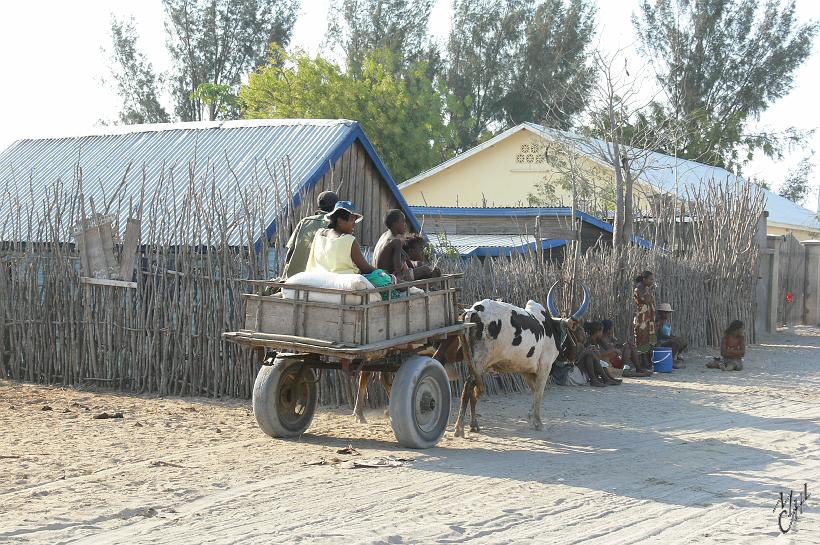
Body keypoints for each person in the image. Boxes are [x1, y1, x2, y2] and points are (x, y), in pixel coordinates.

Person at [305, 200, 376, 276]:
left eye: (355, 221)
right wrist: (383, 272)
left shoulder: (319, 234)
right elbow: (365, 268)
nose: (354, 224)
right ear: (340, 221)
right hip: (344, 284)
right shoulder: (349, 240)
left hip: (318, 279)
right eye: (352, 220)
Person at [281, 191, 338, 279]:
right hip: (320, 279)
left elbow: (290, 252)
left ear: (319, 205)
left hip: (295, 278)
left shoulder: (304, 222)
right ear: (336, 207)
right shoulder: (337, 225)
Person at [372, 210, 439, 281]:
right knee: (427, 270)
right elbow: (398, 268)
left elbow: (403, 255)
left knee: (421, 266)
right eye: (403, 221)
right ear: (395, 224)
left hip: (379, 276)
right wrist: (404, 260)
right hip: (388, 279)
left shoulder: (384, 236)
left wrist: (407, 261)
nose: (405, 224)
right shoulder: (396, 241)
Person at [576, 321, 621, 387]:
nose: (602, 333)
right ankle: (604, 379)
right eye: (601, 331)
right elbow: (598, 355)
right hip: (586, 363)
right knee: (595, 358)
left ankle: (608, 379)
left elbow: (607, 348)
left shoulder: (597, 340)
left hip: (593, 361)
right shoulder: (588, 341)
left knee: (600, 362)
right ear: (597, 332)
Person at [633, 270, 657, 372]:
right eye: (650, 279)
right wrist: (650, 290)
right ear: (644, 279)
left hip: (648, 320)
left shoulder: (645, 288)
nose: (652, 281)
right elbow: (646, 301)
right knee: (641, 340)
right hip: (642, 320)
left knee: (648, 340)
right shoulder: (638, 289)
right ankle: (641, 364)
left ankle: (647, 363)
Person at [656, 303, 688, 368]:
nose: (666, 314)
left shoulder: (666, 321)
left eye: (667, 313)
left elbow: (669, 333)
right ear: (660, 313)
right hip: (661, 342)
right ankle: (671, 360)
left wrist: (673, 336)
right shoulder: (658, 322)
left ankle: (678, 356)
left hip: (667, 340)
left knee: (684, 341)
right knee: (675, 342)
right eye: (664, 313)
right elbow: (660, 335)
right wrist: (671, 338)